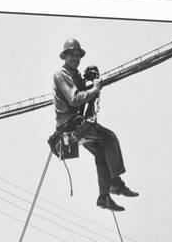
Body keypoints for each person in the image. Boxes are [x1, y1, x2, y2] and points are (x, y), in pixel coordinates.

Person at [52, 38, 139, 211]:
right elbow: (75, 99)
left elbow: (84, 96)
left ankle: (104, 196)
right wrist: (95, 88)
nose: (75, 59)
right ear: (65, 56)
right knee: (109, 138)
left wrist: (90, 81)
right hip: (69, 126)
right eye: (72, 55)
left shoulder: (75, 75)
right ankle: (115, 183)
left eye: (78, 55)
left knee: (102, 151)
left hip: (77, 125)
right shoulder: (61, 75)